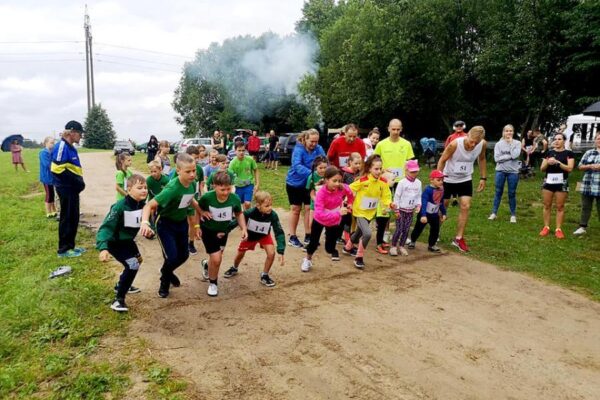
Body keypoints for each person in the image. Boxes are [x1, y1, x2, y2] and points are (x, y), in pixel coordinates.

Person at [139, 153, 203, 298]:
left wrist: (201, 212)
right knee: (172, 257)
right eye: (188, 171)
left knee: (184, 255)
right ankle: (164, 281)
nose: (193, 174)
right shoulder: (172, 188)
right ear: (178, 171)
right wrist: (145, 222)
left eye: (194, 170)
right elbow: (149, 205)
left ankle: (166, 271)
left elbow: (190, 199)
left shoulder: (192, 184)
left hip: (181, 223)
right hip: (165, 224)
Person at [96, 174, 147, 312]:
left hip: (127, 241)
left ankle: (122, 283)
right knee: (132, 265)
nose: (144, 190)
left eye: (145, 187)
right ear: (129, 189)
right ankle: (118, 300)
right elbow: (106, 228)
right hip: (115, 242)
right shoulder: (119, 207)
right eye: (140, 188)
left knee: (138, 260)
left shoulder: (142, 205)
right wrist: (103, 248)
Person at [437, 125, 487, 252]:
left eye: (476, 143)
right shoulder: (455, 144)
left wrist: (483, 177)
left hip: (465, 179)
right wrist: (438, 179)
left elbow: (482, 159)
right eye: (471, 141)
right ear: (467, 135)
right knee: (444, 206)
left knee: (465, 206)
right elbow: (442, 160)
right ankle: (435, 232)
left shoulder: (482, 144)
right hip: (448, 178)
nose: (473, 145)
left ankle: (459, 238)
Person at [198, 171, 247, 297]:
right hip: (208, 231)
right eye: (222, 189)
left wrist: (244, 228)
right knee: (217, 259)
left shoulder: (234, 198)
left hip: (223, 232)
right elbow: (198, 209)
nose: (226, 192)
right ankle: (213, 283)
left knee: (216, 258)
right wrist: (197, 225)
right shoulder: (207, 197)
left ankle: (206, 265)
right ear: (214, 186)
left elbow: (239, 214)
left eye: (228, 189)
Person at [223, 190, 285, 287]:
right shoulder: (250, 212)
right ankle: (234, 268)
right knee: (240, 254)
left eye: (271, 205)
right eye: (267, 206)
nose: (270, 208)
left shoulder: (273, 215)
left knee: (271, 253)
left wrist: (281, 250)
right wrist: (225, 231)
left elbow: (279, 231)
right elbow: (237, 220)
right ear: (258, 205)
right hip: (250, 236)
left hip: (264, 236)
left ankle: (265, 275)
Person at [344, 155, 395, 269]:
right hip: (359, 212)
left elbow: (386, 196)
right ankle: (359, 257)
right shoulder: (363, 180)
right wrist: (347, 201)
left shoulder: (383, 182)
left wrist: (390, 204)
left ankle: (347, 247)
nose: (378, 171)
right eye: (376, 169)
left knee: (358, 233)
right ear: (369, 169)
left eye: (380, 169)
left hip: (370, 213)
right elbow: (349, 188)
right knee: (367, 233)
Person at [373, 118, 415, 253]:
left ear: (401, 129)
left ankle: (402, 232)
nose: (396, 132)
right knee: (387, 205)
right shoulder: (381, 144)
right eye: (393, 129)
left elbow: (410, 162)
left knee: (402, 206)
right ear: (388, 129)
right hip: (386, 180)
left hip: (402, 181)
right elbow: (375, 161)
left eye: (398, 129)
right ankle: (385, 232)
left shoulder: (407, 144)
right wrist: (384, 171)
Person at [302, 166, 354, 272]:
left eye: (339, 181)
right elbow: (320, 214)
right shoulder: (321, 193)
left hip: (333, 221)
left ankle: (331, 248)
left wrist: (349, 203)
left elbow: (351, 194)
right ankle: (307, 259)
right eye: (334, 181)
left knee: (329, 248)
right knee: (313, 243)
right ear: (326, 180)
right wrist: (338, 213)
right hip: (319, 220)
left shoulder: (342, 187)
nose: (337, 184)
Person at [285, 129, 326, 248]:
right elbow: (297, 166)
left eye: (316, 141)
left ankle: (308, 234)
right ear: (305, 139)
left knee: (309, 208)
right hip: (295, 183)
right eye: (311, 141)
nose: (314, 144)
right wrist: (314, 174)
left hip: (311, 184)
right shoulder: (298, 149)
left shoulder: (319, 149)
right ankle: (292, 236)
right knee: (296, 209)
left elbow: (324, 161)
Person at [51, 121, 86, 257]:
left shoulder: (71, 147)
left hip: (73, 189)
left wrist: (79, 183)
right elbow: (56, 169)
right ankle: (63, 249)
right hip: (65, 188)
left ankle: (71, 246)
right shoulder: (61, 146)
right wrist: (75, 181)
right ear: (72, 132)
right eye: (79, 133)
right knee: (67, 217)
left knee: (74, 217)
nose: (81, 137)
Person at [539, 132, 574, 239]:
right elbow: (542, 169)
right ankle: (546, 227)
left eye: (559, 139)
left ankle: (558, 229)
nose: (557, 141)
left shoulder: (569, 153)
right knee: (547, 205)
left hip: (562, 181)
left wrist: (558, 162)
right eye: (555, 139)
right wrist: (548, 162)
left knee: (560, 206)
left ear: (564, 141)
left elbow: (570, 168)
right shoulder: (549, 153)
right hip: (548, 181)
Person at [489, 125, 521, 223]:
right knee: (498, 192)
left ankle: (513, 215)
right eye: (507, 131)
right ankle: (494, 213)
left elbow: (515, 155)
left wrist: (511, 144)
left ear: (513, 132)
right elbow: (496, 159)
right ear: (504, 132)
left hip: (513, 172)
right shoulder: (499, 144)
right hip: (500, 171)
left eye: (511, 131)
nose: (509, 133)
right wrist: (509, 156)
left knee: (512, 193)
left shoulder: (517, 143)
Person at [409, 170, 447, 252]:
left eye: (442, 180)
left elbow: (441, 202)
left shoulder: (441, 190)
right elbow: (424, 203)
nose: (441, 182)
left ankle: (432, 245)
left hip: (434, 215)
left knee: (435, 230)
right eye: (438, 180)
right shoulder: (428, 190)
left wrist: (443, 213)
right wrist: (423, 215)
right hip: (425, 213)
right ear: (432, 180)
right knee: (418, 228)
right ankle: (412, 241)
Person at [389, 160, 422, 256]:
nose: (414, 174)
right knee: (399, 229)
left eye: (416, 171)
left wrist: (418, 205)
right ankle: (394, 246)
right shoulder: (402, 183)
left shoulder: (418, 183)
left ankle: (402, 246)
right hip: (401, 211)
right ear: (406, 171)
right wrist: (396, 210)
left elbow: (418, 196)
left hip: (410, 211)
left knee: (406, 229)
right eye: (412, 172)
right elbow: (397, 197)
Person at [574, 134, 600, 235]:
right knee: (585, 206)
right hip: (587, 184)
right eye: (598, 139)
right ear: (595, 141)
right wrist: (590, 166)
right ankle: (582, 227)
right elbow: (579, 166)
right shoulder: (589, 152)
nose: (599, 140)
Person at [229, 142, 260, 210]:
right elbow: (230, 177)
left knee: (247, 203)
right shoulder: (232, 163)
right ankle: (243, 216)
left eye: (243, 150)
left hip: (249, 185)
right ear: (235, 151)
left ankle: (247, 217)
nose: (241, 152)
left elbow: (256, 170)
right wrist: (231, 188)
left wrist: (257, 184)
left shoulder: (250, 159)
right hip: (238, 187)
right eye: (239, 150)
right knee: (240, 204)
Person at [306, 156, 328, 238]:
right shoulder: (311, 177)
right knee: (313, 223)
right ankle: (312, 239)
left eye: (325, 167)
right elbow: (311, 194)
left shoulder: (329, 176)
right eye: (320, 168)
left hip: (327, 205)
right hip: (315, 205)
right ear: (316, 167)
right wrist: (318, 201)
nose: (323, 170)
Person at [39, 136, 57, 218]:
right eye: (51, 143)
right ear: (46, 143)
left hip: (52, 177)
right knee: (49, 194)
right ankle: (48, 212)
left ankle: (54, 210)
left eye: (53, 143)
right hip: (46, 177)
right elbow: (47, 164)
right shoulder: (43, 152)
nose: (53, 145)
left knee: (52, 194)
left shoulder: (52, 152)